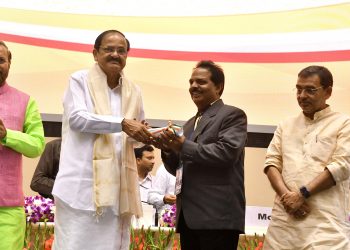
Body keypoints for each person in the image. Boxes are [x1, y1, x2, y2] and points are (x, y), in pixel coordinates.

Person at [52, 30, 153, 250]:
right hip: (80, 191)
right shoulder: (79, 80)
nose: (115, 54)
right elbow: (78, 119)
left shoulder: (134, 91)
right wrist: (122, 123)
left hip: (117, 193)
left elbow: (134, 135)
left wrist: (150, 135)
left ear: (127, 55)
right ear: (95, 53)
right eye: (109, 49)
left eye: (121, 50)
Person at [156, 60, 247, 250]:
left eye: (201, 82)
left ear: (219, 87)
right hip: (188, 218)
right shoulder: (188, 124)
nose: (194, 86)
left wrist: (182, 145)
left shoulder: (232, 115)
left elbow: (226, 153)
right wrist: (166, 148)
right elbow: (178, 169)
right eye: (191, 82)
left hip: (217, 218)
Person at [263, 65, 350, 249]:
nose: (302, 96)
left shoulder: (343, 123)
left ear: (328, 92)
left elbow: (342, 166)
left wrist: (302, 195)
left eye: (310, 90)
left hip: (325, 225)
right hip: (283, 224)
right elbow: (271, 163)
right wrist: (287, 196)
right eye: (299, 89)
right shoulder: (286, 125)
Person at [0, 41, 45, 250]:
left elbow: (36, 145)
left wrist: (7, 135)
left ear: (9, 63)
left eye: (1, 60)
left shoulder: (25, 101)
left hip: (7, 208)